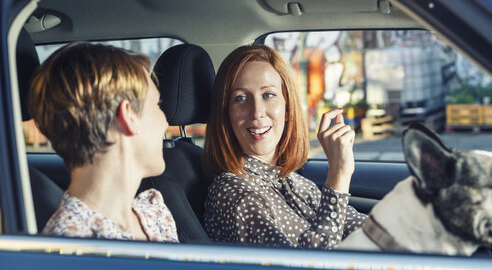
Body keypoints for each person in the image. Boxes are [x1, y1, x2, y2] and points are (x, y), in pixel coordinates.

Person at [203, 45, 366, 249]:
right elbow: (307, 265)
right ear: (226, 115)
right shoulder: (233, 194)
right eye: (240, 98)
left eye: (268, 95)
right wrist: (339, 174)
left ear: (287, 108)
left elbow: (365, 229)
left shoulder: (290, 181)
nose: (257, 112)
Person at [29, 42, 178, 242]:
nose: (165, 121)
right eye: (156, 104)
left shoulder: (153, 211)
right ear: (129, 116)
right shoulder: (73, 244)